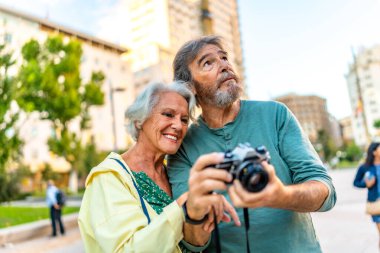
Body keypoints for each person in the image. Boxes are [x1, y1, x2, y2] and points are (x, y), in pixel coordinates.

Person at [168, 35, 337, 253]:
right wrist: (194, 211)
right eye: (208, 62)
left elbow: (325, 190)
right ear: (190, 88)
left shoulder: (275, 114)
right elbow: (193, 242)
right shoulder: (183, 146)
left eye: (224, 58)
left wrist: (281, 196)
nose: (224, 66)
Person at [78, 81, 239, 253]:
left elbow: (195, 242)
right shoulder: (108, 178)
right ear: (139, 120)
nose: (178, 126)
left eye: (184, 120)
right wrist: (182, 208)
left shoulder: (174, 172)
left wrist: (200, 215)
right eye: (168, 114)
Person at [353, 142, 380, 245]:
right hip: (376, 205)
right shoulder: (365, 167)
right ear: (374, 152)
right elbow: (356, 183)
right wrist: (366, 184)